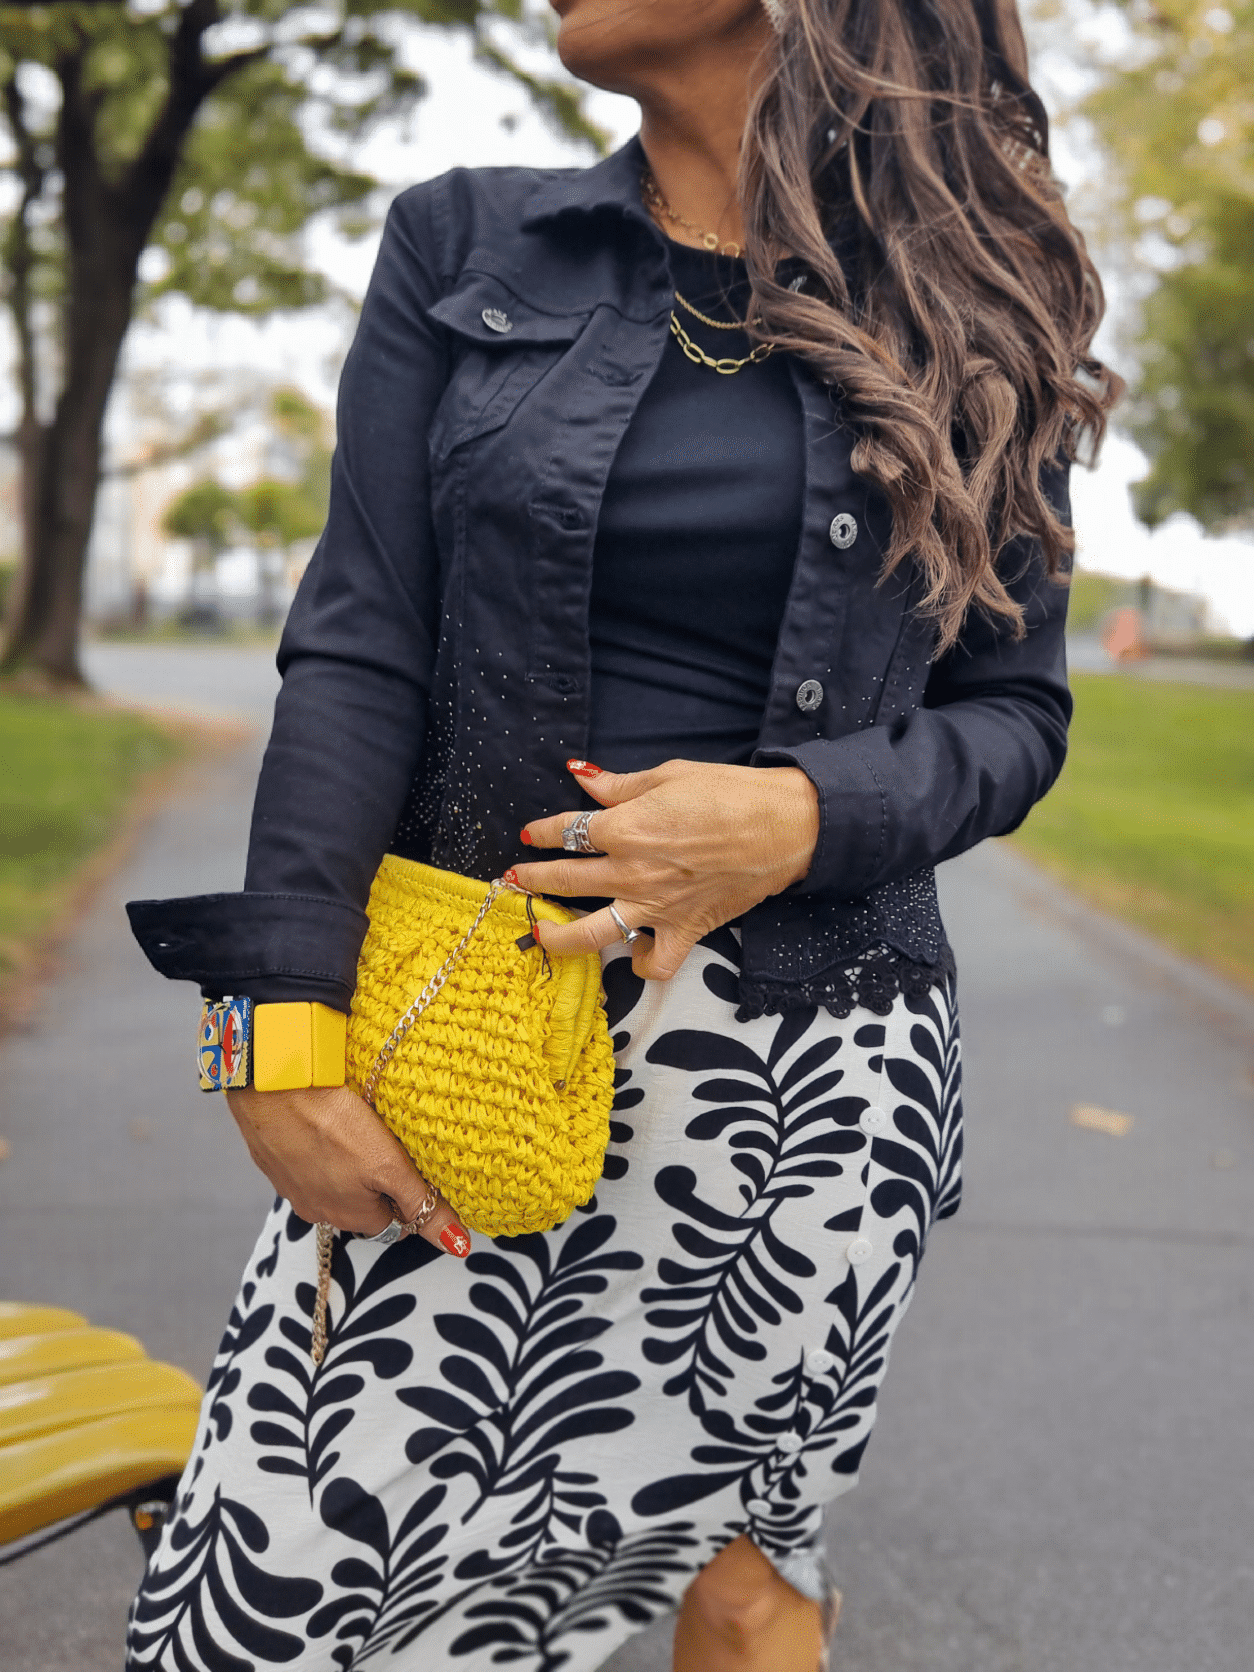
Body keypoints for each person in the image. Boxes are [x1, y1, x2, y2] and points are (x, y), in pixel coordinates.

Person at [125, 0, 1116, 1667]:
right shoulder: (464, 243)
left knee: (735, 1583)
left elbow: (1015, 714)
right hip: (471, 1050)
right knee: (279, 1601)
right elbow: (357, 644)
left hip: (806, 1098)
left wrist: (801, 815)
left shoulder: (974, 301)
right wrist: (265, 1035)